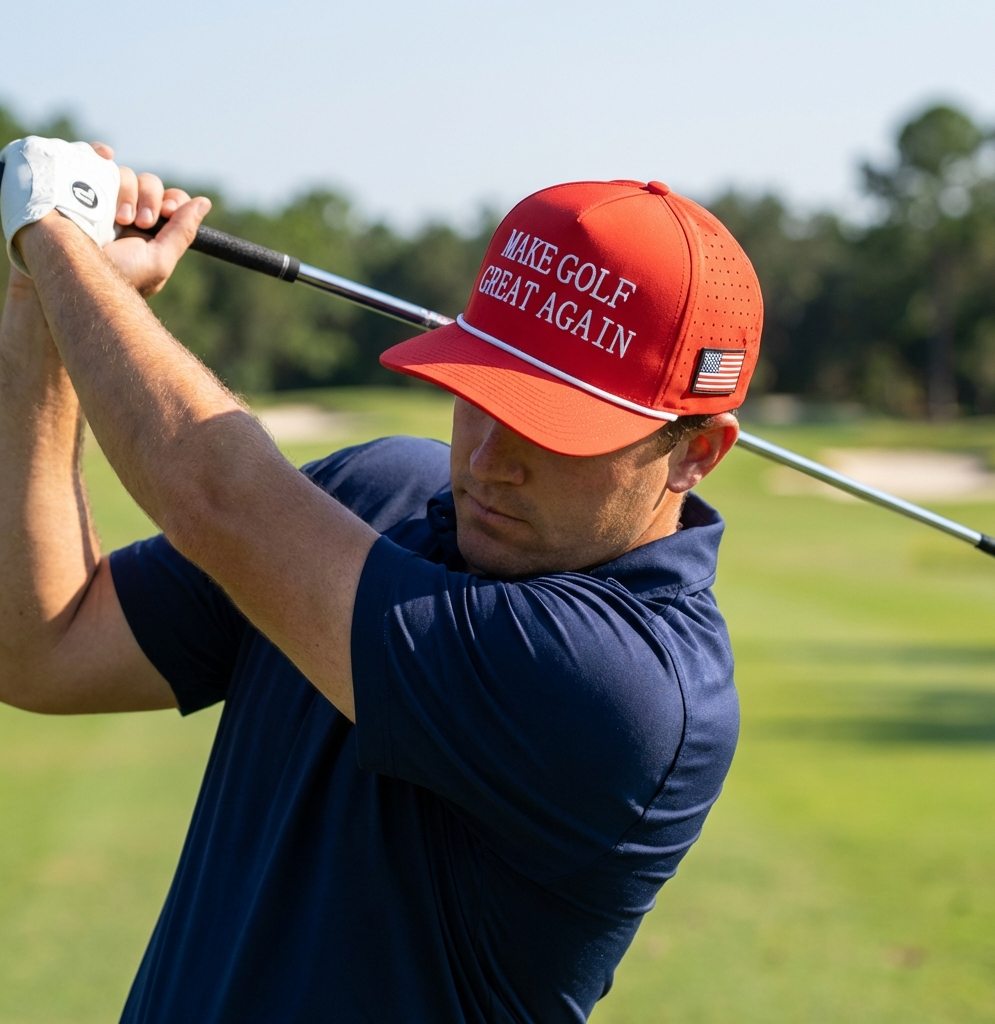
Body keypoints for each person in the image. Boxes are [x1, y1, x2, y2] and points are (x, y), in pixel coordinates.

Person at [0, 137, 762, 1023]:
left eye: (557, 429)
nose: (488, 458)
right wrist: (40, 306)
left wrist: (52, 235)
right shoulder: (375, 490)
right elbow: (41, 646)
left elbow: (215, 494)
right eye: (484, 389)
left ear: (695, 453)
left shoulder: (631, 689)